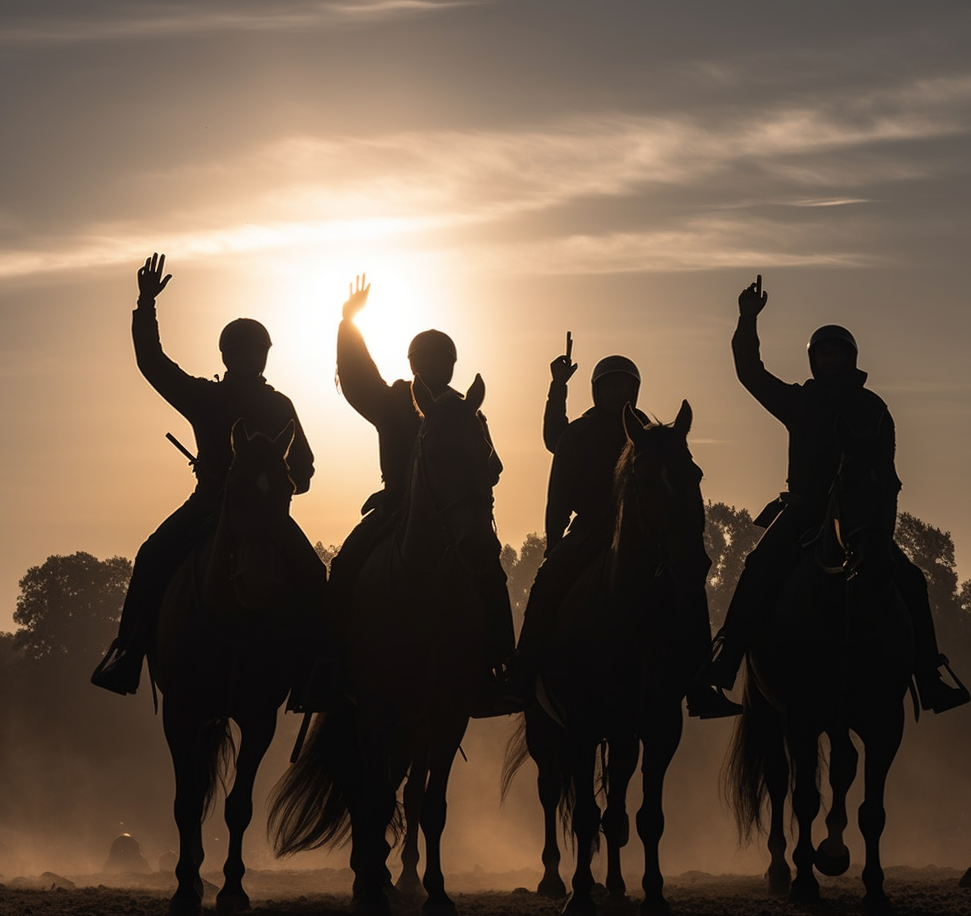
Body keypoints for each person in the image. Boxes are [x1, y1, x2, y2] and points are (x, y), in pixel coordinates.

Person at [699, 275, 970, 714]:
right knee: (758, 566)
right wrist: (747, 319)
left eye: (837, 354)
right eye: (823, 354)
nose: (829, 361)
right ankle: (724, 664)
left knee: (913, 582)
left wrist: (877, 524)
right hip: (805, 512)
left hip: (861, 520)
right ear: (814, 361)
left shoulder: (874, 408)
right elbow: (750, 372)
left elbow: (887, 475)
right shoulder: (798, 402)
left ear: (850, 359)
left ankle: (928, 674)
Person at [91, 254, 315, 696]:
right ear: (233, 357)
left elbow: (303, 466)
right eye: (245, 353)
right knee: (152, 555)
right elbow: (153, 363)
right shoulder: (210, 397)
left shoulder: (274, 404)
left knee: (311, 572)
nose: (250, 359)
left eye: (254, 353)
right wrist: (145, 307)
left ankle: (317, 668)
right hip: (213, 509)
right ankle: (128, 652)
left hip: (250, 513)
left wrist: (272, 488)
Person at [326, 276, 517, 716]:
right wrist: (348, 324)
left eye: (444, 360)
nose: (437, 366)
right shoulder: (393, 399)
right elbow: (357, 379)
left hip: (457, 520)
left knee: (491, 573)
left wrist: (485, 469)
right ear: (414, 364)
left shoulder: (468, 410)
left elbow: (493, 464)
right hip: (397, 510)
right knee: (347, 563)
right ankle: (329, 663)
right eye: (429, 359)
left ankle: (498, 667)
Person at [517, 347, 741, 719]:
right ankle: (524, 671)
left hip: (645, 534)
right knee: (547, 580)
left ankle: (700, 684)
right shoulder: (579, 433)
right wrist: (553, 545)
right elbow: (555, 451)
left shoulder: (650, 435)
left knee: (689, 583)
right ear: (597, 392)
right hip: (590, 529)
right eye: (610, 387)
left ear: (635, 392)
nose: (618, 393)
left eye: (625, 387)